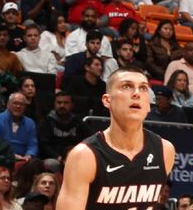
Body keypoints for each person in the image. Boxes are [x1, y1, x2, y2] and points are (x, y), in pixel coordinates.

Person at [57, 67, 175, 209]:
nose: (137, 93)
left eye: (143, 88)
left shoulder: (165, 150)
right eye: (127, 86)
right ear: (107, 100)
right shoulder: (84, 156)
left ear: (149, 105)